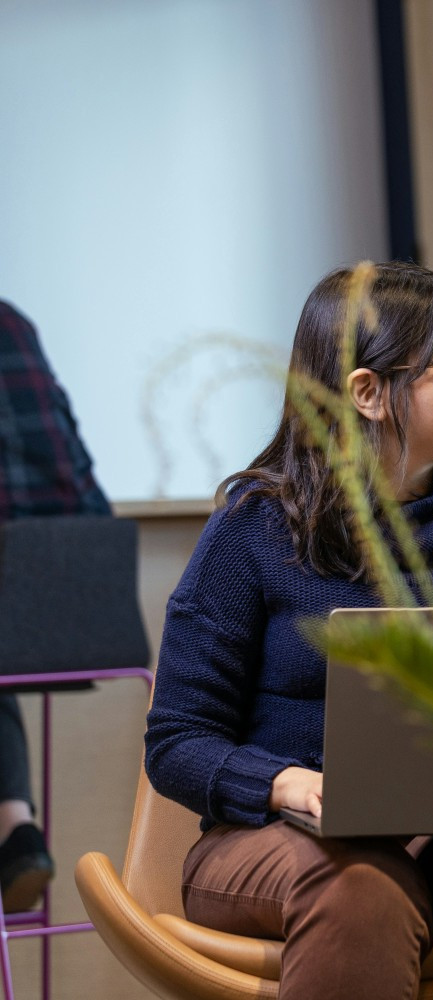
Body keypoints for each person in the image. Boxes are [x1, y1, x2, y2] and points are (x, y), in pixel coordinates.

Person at [144, 262, 433, 1000]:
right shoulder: (252, 531)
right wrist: (285, 784)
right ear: (367, 392)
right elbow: (178, 742)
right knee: (363, 889)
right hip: (272, 842)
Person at [0, 299, 113, 912]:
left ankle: (14, 828)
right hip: (83, 586)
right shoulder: (13, 319)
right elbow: (77, 458)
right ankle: (15, 829)